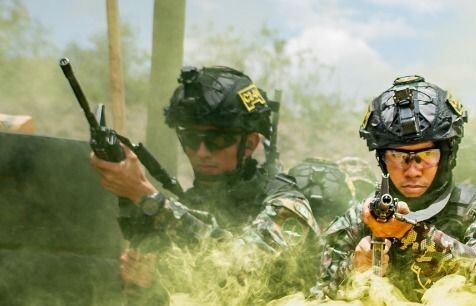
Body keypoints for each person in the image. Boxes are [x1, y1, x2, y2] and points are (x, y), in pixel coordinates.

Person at [88, 64, 318, 285]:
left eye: (217, 140)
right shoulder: (188, 209)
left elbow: (242, 270)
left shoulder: (286, 204)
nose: (201, 152)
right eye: (190, 139)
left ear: (249, 144)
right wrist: (147, 284)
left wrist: (147, 197)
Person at [317, 74, 476, 297]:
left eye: (427, 154)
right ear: (382, 159)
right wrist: (353, 272)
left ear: (448, 156)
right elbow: (317, 300)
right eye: (398, 156)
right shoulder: (361, 219)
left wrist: (412, 236)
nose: (412, 170)